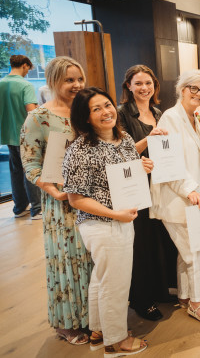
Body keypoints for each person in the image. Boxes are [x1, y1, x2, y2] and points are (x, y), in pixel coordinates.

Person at [63, 87, 151, 355]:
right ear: (85, 117)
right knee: (116, 284)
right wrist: (115, 215)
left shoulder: (123, 139)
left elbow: (125, 174)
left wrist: (141, 167)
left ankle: (99, 331)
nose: (106, 112)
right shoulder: (80, 149)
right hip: (102, 224)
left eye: (107, 105)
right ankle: (116, 341)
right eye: (96, 109)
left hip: (123, 219)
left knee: (102, 279)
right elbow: (76, 199)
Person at [20, 56, 92, 345]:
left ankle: (93, 316)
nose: (77, 85)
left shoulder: (86, 110)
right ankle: (68, 323)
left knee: (91, 257)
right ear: (52, 81)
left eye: (79, 79)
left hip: (91, 195)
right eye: (69, 80)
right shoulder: (39, 117)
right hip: (61, 202)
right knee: (68, 260)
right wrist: (53, 191)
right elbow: (30, 164)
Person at [149, 70, 200, 325]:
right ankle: (198, 302)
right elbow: (166, 161)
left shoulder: (195, 117)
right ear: (182, 89)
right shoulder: (171, 118)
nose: (199, 94)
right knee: (197, 251)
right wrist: (188, 189)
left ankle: (185, 295)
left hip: (195, 194)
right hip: (178, 196)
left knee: (187, 250)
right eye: (194, 88)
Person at [118, 64, 177, 321]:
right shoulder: (121, 114)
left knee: (158, 238)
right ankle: (141, 299)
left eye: (148, 83)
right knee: (140, 243)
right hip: (135, 184)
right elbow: (120, 153)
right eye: (139, 83)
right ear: (128, 86)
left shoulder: (158, 112)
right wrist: (149, 138)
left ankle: (160, 290)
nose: (144, 88)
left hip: (159, 182)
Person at [0, 54, 41, 219]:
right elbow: (31, 111)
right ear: (25, 65)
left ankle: (19, 208)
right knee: (31, 170)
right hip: (25, 135)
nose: (27, 73)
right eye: (28, 69)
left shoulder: (1, 83)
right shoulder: (25, 85)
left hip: (8, 135)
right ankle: (37, 209)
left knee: (16, 171)